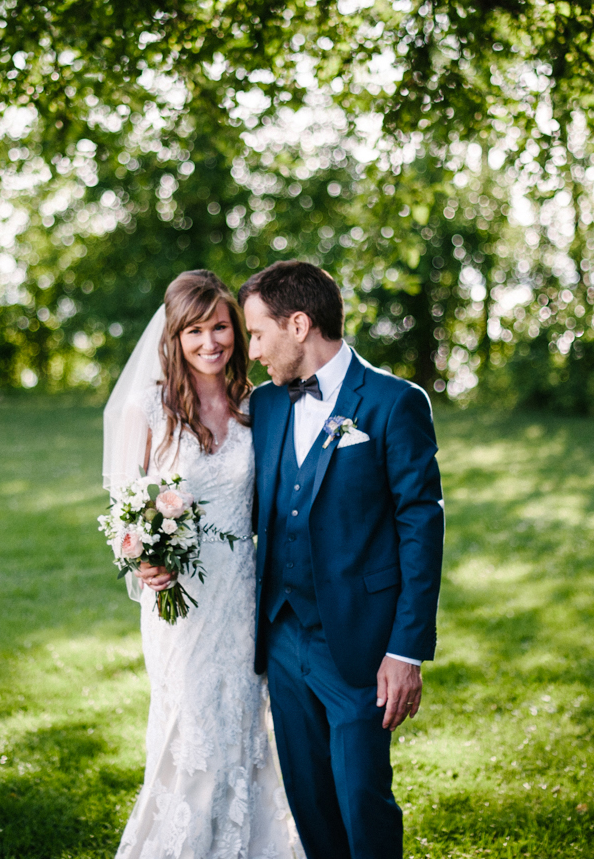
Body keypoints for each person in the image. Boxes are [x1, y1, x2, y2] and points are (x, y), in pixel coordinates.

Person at [239, 260, 445, 859]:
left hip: (359, 645)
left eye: (258, 334)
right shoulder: (268, 405)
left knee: (362, 803)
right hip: (281, 637)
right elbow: (246, 507)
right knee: (310, 803)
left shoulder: (393, 402)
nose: (252, 351)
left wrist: (405, 650)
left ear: (298, 324)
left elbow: (420, 527)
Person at [102, 270, 302, 859]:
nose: (211, 341)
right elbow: (123, 512)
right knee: (191, 733)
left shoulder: (255, 404)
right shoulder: (150, 407)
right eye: (196, 330)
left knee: (243, 728)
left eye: (221, 327)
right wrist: (141, 561)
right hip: (181, 607)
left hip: (243, 598)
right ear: (175, 334)